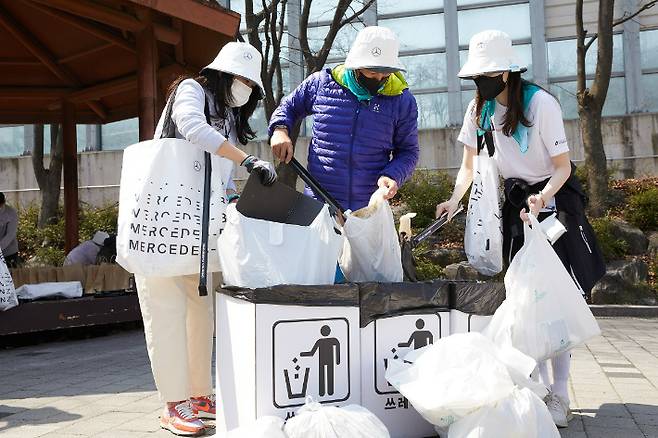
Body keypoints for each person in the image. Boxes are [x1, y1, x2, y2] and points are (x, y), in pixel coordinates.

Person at [435, 30, 605, 429]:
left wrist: (543, 197)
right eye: (477, 76)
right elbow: (469, 167)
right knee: (526, 300)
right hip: (515, 208)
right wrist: (454, 200)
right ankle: (541, 391)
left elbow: (563, 166)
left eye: (488, 74)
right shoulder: (479, 110)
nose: (481, 82)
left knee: (556, 299)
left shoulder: (541, 104)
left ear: (508, 72)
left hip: (553, 202)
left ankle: (561, 392)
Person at [135, 42, 277, 437]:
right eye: (241, 78)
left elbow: (223, 181)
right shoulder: (190, 90)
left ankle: (199, 394)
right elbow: (191, 128)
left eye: (251, 82)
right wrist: (245, 158)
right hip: (162, 221)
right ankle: (173, 402)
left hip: (199, 228)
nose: (245, 87)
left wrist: (240, 193)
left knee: (201, 313)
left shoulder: (229, 118)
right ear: (221, 73)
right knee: (165, 312)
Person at [269, 26, 419, 212]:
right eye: (372, 73)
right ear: (356, 65)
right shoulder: (322, 84)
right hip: (319, 202)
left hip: (369, 207)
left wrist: (393, 175)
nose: (379, 78)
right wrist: (280, 129)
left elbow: (408, 151)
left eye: (385, 74)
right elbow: (288, 107)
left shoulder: (402, 101)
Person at [0, 193, 19, 268]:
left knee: (9, 277)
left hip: (9, 253)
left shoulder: (11, 213)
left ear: (3, 203)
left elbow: (10, 235)